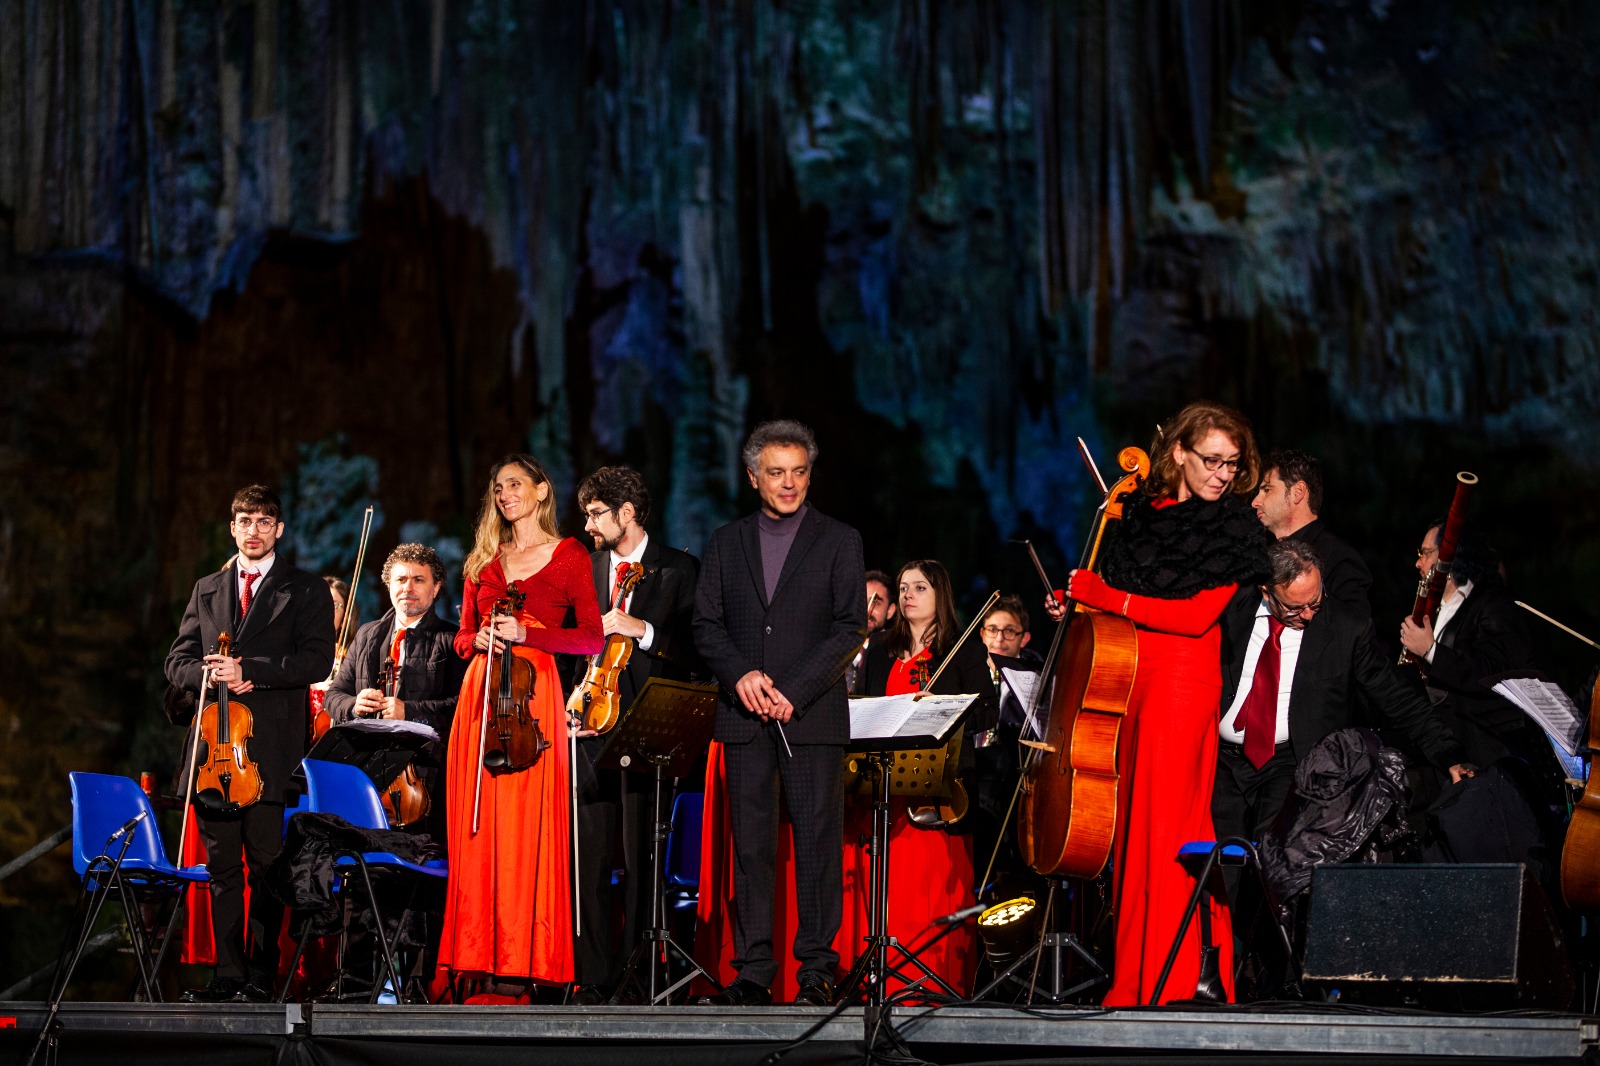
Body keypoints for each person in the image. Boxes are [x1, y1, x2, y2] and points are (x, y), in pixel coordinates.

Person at [1046, 401, 1271, 1006]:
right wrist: (1081, 605)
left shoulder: (1233, 528)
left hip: (1181, 686)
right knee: (1135, 832)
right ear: (1178, 452)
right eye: (1212, 460)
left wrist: (1109, 600)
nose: (1223, 474)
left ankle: (1167, 982)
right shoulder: (1140, 515)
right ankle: (1141, 977)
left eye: (1233, 464)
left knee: (1168, 830)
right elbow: (1116, 600)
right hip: (1131, 679)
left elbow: (1196, 618)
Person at [693, 420, 866, 1007]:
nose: (789, 483)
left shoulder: (840, 540)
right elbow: (706, 625)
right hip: (744, 720)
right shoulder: (724, 542)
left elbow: (851, 625)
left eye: (798, 472)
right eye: (776, 472)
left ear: (809, 475)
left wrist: (793, 688)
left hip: (810, 716)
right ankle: (753, 973)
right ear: (752, 478)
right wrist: (741, 675)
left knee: (818, 846)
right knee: (751, 849)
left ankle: (817, 971)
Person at [436, 455, 603, 1002]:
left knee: (528, 834)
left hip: (533, 706)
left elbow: (591, 639)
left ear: (541, 490)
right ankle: (477, 961)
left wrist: (531, 633)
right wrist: (476, 641)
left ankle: (524, 964)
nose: (505, 494)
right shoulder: (483, 561)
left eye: (514, 484)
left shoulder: (570, 554)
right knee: (479, 834)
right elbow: (460, 638)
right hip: (481, 703)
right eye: (498, 486)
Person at [165, 485, 334, 1002]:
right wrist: (208, 673)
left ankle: (262, 973)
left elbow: (316, 662)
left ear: (278, 530)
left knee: (265, 865)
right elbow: (176, 662)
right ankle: (228, 974)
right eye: (245, 521)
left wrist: (251, 673)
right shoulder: (207, 588)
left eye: (264, 521)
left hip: (268, 751)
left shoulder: (304, 589)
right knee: (221, 871)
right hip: (215, 752)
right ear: (233, 527)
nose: (254, 530)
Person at [1213, 538, 1470, 880]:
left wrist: (1448, 755)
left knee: (1272, 871)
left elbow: (1397, 699)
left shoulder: (1346, 628)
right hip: (1221, 762)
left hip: (1291, 763)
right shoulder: (1232, 609)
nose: (1307, 615)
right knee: (1216, 867)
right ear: (1265, 591)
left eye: (1315, 602)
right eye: (1294, 608)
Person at [570, 465, 702, 1004]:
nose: (587, 525)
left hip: (649, 731)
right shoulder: (583, 566)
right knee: (591, 859)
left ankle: (640, 975)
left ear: (628, 513)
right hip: (590, 728)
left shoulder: (679, 569)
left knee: (644, 858)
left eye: (597, 514)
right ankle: (596, 977)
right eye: (586, 514)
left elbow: (697, 653)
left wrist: (641, 630)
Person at [852, 559, 994, 996]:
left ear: (941, 597)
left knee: (928, 888)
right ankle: (879, 977)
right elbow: (866, 708)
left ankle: (927, 984)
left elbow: (987, 712)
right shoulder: (879, 649)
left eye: (920, 587)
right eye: (904, 587)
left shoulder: (965, 647)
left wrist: (944, 706)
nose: (908, 594)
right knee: (884, 886)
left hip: (937, 792)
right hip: (885, 791)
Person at [1397, 520, 1562, 813]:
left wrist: (1431, 651)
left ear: (1449, 555)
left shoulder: (1493, 604)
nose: (1418, 562)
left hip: (1479, 754)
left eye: (1425, 553)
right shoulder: (1432, 608)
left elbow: (1493, 671)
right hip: (1436, 750)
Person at [325, 543, 466, 829]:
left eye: (419, 580)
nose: (408, 588)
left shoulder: (453, 640)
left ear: (436, 587)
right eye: (400, 580)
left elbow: (463, 706)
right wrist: (354, 705)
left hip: (427, 777)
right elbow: (333, 695)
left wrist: (409, 711)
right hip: (366, 772)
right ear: (389, 584)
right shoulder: (367, 635)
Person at [1251, 449, 1372, 613]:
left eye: (1267, 489)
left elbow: (1354, 630)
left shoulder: (1339, 558)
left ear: (1298, 492)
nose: (1255, 502)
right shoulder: (1257, 551)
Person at [845, 570, 896, 696]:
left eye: (876, 603)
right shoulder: (838, 648)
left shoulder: (895, 655)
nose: (867, 608)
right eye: (861, 601)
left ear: (890, 610)